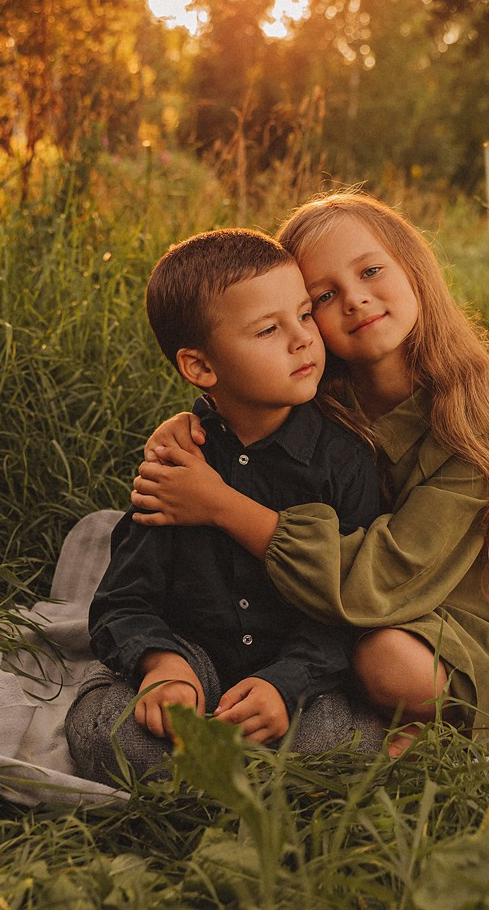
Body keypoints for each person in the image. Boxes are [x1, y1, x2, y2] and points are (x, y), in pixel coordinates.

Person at [131, 193, 489, 748]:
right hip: (426, 633)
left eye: (372, 270)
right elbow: (238, 398)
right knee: (385, 663)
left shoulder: (470, 414)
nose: (354, 300)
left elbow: (386, 578)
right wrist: (189, 424)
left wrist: (220, 505)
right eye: (322, 295)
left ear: (415, 270)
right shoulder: (312, 394)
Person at [65, 228, 382, 786]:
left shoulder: (344, 460)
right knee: (102, 730)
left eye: (304, 316)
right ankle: (221, 776)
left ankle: (221, 780)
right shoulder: (179, 461)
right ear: (201, 368)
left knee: (337, 743)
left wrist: (287, 683)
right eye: (267, 329)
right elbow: (121, 601)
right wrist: (163, 667)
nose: (302, 340)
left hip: (301, 675)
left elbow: (347, 608)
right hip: (196, 659)